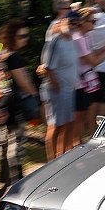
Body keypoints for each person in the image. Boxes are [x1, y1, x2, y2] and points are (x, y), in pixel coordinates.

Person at [0, 19, 38, 186]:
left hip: (3, 105)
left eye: (26, 36)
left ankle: (4, 179)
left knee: (5, 142)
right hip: (16, 105)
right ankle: (16, 180)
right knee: (16, 143)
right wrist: (36, 96)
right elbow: (24, 84)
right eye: (21, 36)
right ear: (11, 37)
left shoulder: (1, 56)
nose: (25, 39)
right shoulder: (13, 58)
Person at [70, 8, 105, 145]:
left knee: (83, 115)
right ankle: (76, 147)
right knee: (79, 118)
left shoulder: (84, 37)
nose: (94, 24)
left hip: (84, 82)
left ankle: (80, 143)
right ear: (82, 22)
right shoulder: (78, 38)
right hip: (79, 83)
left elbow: (91, 55)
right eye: (92, 21)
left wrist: (104, 48)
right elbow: (93, 61)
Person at [38, 11, 78, 160]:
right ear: (63, 21)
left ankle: (62, 158)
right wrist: (57, 87)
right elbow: (48, 67)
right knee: (55, 126)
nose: (74, 26)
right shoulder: (55, 41)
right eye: (71, 22)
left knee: (67, 124)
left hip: (69, 88)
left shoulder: (71, 39)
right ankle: (52, 162)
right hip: (57, 89)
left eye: (77, 23)